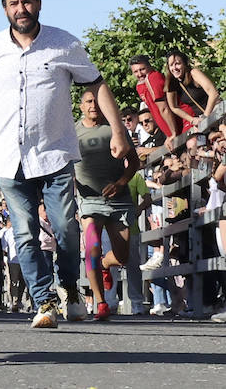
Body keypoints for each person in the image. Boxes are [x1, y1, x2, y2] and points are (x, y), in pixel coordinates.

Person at [0, 0, 132, 329]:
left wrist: (119, 130)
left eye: (26, 2)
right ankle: (45, 301)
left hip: (54, 154)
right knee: (24, 233)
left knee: (66, 231)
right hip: (9, 156)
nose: (20, 9)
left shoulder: (65, 44)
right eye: (13, 4)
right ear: (4, 8)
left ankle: (69, 288)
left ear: (38, 3)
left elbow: (96, 85)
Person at [74, 88, 141, 321]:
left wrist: (121, 183)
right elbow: (63, 166)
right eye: (88, 102)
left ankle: (105, 263)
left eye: (96, 101)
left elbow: (134, 162)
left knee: (123, 257)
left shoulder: (115, 129)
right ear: (81, 106)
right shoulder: (73, 132)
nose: (93, 105)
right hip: (89, 201)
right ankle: (100, 303)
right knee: (91, 248)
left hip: (118, 199)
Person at [164, 49, 219, 130]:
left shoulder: (194, 73)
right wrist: (192, 119)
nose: (174, 68)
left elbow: (214, 93)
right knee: (194, 142)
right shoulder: (172, 82)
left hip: (216, 110)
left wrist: (205, 116)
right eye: (171, 65)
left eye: (178, 64)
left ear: (185, 64)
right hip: (201, 118)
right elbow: (173, 107)